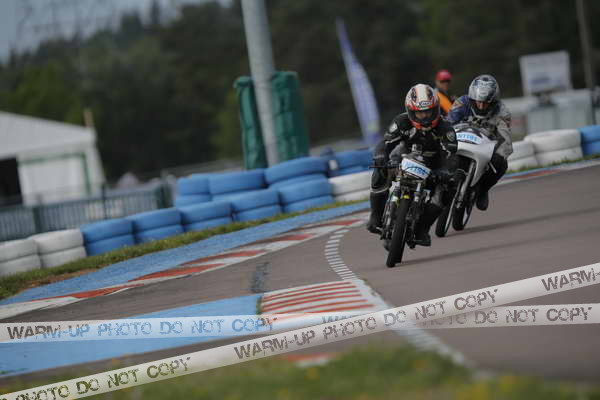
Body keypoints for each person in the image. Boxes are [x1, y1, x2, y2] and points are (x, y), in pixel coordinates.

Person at [367, 84, 458, 246]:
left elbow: (451, 155)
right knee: (379, 169)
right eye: (419, 113)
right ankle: (375, 216)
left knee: (449, 188)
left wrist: (446, 172)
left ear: (436, 109)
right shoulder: (401, 121)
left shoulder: (445, 128)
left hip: (433, 167)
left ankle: (423, 228)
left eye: (428, 112)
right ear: (410, 110)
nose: (424, 117)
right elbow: (385, 143)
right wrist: (380, 156)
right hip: (403, 157)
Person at [447, 74, 513, 211]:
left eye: (486, 103)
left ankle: (483, 190)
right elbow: (448, 125)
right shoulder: (461, 103)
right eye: (478, 102)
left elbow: (506, 140)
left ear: (493, 101)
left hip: (484, 146)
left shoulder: (502, 112)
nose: (481, 106)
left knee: (501, 163)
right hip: (461, 141)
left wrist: (499, 154)